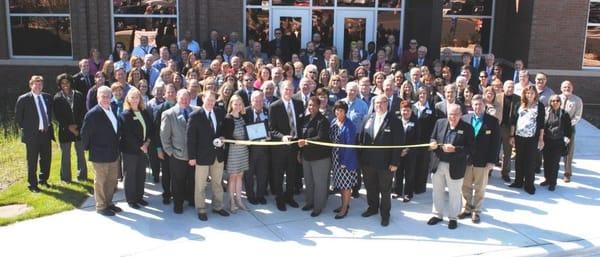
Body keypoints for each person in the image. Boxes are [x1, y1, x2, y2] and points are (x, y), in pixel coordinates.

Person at [358, 94, 404, 227]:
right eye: (377, 103)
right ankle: (372, 208)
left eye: (382, 102)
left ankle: (385, 215)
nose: (379, 105)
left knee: (385, 190)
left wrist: (395, 162)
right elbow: (361, 139)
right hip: (368, 163)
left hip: (386, 164)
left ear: (387, 104)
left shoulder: (394, 121)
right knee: (370, 187)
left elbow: (398, 144)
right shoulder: (368, 118)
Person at [428, 104, 474, 230]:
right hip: (438, 163)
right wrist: (432, 143)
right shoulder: (440, 123)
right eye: (450, 114)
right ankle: (437, 214)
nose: (452, 117)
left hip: (455, 165)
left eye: (455, 115)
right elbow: (433, 137)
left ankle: (453, 217)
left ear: (460, 115)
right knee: (437, 191)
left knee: (454, 193)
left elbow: (470, 148)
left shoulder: (467, 128)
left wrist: (455, 149)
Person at [187, 91, 230, 221]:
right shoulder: (195, 115)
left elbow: (223, 129)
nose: (211, 102)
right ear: (203, 99)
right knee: (201, 185)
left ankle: (218, 206)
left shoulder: (219, 112)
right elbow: (190, 138)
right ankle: (201, 208)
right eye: (208, 100)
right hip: (201, 156)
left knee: (217, 183)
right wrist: (192, 157)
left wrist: (223, 136)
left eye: (213, 100)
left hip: (217, 155)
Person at [81, 86, 123, 216]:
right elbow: (85, 135)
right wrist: (90, 149)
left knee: (111, 181)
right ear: (98, 97)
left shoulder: (113, 109)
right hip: (99, 155)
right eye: (102, 96)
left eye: (107, 96)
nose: (105, 99)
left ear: (111, 97)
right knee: (100, 182)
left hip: (113, 153)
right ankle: (100, 206)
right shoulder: (92, 114)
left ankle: (109, 203)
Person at [459, 95, 500, 224]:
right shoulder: (465, 119)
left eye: (480, 104)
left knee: (480, 187)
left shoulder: (492, 121)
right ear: (472, 105)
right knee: (465, 186)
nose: (478, 107)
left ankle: (476, 211)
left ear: (484, 105)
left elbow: (495, 143)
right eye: (475, 104)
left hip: (483, 161)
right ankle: (466, 208)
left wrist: (492, 161)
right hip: (467, 160)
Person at [160, 89, 198, 214]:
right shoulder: (169, 114)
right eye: (182, 98)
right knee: (178, 181)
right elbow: (164, 136)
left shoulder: (196, 111)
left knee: (192, 179)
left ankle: (191, 199)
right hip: (177, 155)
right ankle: (178, 204)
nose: (184, 100)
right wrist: (170, 152)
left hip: (193, 155)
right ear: (177, 98)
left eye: (187, 98)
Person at [15, 75, 55, 192]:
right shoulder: (23, 99)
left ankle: (43, 180)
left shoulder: (47, 97)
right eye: (35, 84)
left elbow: (49, 114)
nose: (38, 86)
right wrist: (28, 130)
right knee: (32, 160)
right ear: (30, 85)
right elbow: (18, 118)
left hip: (46, 133)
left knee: (46, 158)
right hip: (32, 135)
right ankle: (32, 184)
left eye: (40, 84)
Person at [268, 81, 304, 211]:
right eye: (286, 89)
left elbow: (301, 125)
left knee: (291, 173)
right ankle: (279, 199)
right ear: (281, 90)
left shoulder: (299, 104)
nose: (288, 92)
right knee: (278, 174)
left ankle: (289, 196)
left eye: (291, 89)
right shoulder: (274, 106)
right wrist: (282, 137)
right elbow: (271, 129)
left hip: (294, 146)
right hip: (280, 147)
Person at [296, 96, 331, 217]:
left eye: (314, 105)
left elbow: (321, 137)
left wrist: (306, 141)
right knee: (309, 182)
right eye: (309, 105)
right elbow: (300, 136)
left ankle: (318, 207)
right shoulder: (304, 119)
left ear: (319, 106)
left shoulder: (323, 121)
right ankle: (310, 202)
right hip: (307, 156)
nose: (311, 107)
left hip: (320, 157)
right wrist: (300, 152)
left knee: (319, 183)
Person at [119, 88, 153, 209]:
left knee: (141, 174)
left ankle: (139, 197)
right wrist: (141, 146)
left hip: (143, 149)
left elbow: (150, 128)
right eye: (132, 97)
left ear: (140, 99)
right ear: (128, 99)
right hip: (130, 150)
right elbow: (128, 135)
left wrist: (147, 142)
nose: (134, 100)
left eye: (136, 97)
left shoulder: (143, 112)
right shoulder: (125, 115)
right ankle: (131, 199)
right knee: (130, 176)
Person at [510, 86, 545, 195]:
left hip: (532, 138)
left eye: (531, 93)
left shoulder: (540, 106)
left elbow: (542, 124)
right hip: (519, 137)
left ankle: (529, 185)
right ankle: (518, 181)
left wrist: (541, 139)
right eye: (527, 93)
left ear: (535, 94)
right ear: (524, 94)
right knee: (519, 159)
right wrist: (512, 136)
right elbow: (513, 121)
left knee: (530, 161)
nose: (529, 95)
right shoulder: (518, 104)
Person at [53, 73, 87, 182]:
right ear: (60, 85)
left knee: (81, 154)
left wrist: (77, 127)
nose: (65, 85)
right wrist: (69, 127)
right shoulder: (57, 98)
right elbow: (57, 116)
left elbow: (83, 112)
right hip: (65, 130)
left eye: (67, 82)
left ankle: (82, 176)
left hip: (78, 129)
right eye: (62, 83)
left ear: (71, 83)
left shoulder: (79, 95)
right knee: (65, 155)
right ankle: (66, 178)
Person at [329, 100, 359, 219]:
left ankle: (344, 209)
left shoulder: (349, 125)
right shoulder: (333, 122)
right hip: (335, 158)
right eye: (337, 110)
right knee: (340, 184)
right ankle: (344, 204)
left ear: (345, 112)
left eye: (341, 110)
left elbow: (350, 146)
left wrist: (344, 163)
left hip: (345, 160)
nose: (338, 112)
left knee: (346, 186)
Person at [223, 95, 250, 213]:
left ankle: (239, 200)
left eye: (240, 104)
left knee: (240, 176)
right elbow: (225, 136)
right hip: (233, 152)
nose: (238, 106)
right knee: (232, 177)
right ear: (231, 105)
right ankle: (232, 202)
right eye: (235, 104)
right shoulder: (228, 118)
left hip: (243, 150)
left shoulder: (243, 117)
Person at [243, 91, 270, 205]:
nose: (258, 103)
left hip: (264, 149)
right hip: (249, 149)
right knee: (249, 174)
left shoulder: (267, 111)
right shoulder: (245, 112)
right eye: (256, 100)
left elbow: (271, 127)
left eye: (260, 101)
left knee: (262, 173)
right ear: (251, 101)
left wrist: (269, 135)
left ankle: (260, 195)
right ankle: (250, 195)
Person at [541, 95, 572, 191]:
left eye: (557, 100)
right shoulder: (546, 112)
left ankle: (553, 182)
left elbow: (568, 128)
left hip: (558, 141)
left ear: (560, 102)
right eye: (553, 101)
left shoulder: (564, 114)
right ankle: (547, 179)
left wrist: (567, 138)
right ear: (550, 102)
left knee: (555, 163)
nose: (555, 102)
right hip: (547, 140)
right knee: (546, 162)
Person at [393, 100, 419, 202]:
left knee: (409, 173)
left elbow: (417, 138)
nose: (405, 112)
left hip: (410, 152)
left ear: (411, 111)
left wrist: (407, 149)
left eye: (408, 110)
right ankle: (397, 191)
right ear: (400, 110)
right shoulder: (397, 120)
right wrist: (399, 150)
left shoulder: (415, 121)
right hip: (398, 152)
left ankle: (408, 193)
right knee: (398, 172)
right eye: (404, 110)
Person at [413, 87, 436, 194]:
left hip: (424, 142)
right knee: (412, 165)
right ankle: (410, 185)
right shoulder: (413, 107)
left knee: (422, 166)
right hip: (412, 142)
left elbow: (433, 127)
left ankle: (420, 187)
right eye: (420, 93)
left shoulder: (432, 109)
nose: (422, 95)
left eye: (424, 93)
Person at [559, 81, 583, 182]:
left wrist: (567, 125)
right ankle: (552, 171)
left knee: (568, 151)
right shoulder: (556, 98)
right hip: (556, 128)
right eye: (564, 87)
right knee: (554, 149)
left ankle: (567, 173)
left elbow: (577, 116)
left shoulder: (577, 100)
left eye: (569, 87)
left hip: (569, 129)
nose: (566, 88)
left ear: (572, 88)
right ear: (561, 88)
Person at [500, 80, 521, 182]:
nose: (510, 89)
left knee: (507, 151)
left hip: (509, 128)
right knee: (494, 149)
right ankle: (489, 171)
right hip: (497, 126)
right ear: (503, 88)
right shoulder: (498, 96)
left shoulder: (518, 99)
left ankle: (505, 172)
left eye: (512, 87)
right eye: (508, 87)